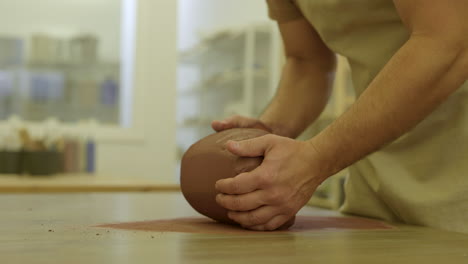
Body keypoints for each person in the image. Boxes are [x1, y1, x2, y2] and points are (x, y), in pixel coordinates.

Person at [211, 0, 468, 233]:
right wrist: (268, 131)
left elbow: (450, 40)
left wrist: (315, 158)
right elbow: (307, 62)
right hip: (376, 184)